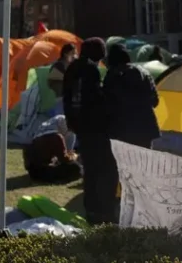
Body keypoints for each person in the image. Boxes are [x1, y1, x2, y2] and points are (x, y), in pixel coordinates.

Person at [62, 37, 111, 224]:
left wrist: (71, 120)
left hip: (78, 124)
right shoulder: (90, 70)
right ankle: (98, 210)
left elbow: (66, 97)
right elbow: (95, 99)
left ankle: (90, 207)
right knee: (100, 168)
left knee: (89, 167)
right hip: (94, 126)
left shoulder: (72, 68)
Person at [104, 44, 160, 148]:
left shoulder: (111, 76)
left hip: (121, 130)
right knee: (146, 162)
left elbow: (107, 103)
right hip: (145, 128)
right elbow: (155, 101)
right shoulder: (144, 73)